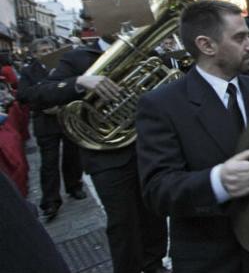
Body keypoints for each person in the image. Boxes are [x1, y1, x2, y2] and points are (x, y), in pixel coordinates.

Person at [136, 0, 249, 273]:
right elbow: (157, 191)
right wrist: (217, 181)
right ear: (206, 45)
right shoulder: (161, 105)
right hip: (209, 259)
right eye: (240, 38)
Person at [26, 34, 168, 273]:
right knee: (123, 221)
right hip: (106, 155)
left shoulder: (148, 53)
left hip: (146, 148)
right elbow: (36, 95)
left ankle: (154, 264)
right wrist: (80, 82)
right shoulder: (75, 58)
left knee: (153, 213)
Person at [16, 38, 85, 220]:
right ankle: (51, 201)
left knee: (72, 155)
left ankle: (74, 186)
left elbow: (77, 87)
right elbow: (23, 95)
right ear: (35, 54)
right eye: (43, 51)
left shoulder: (65, 66)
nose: (47, 53)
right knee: (49, 162)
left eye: (50, 49)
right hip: (46, 122)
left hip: (67, 118)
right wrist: (43, 104)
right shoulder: (29, 72)